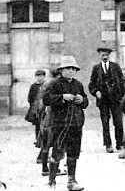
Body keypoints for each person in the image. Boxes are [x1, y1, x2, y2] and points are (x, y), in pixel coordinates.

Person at [43, 56, 88, 190]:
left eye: (73, 69)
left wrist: (82, 99)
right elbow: (46, 99)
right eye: (68, 68)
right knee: (57, 151)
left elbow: (86, 101)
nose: (70, 71)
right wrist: (62, 97)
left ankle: (71, 182)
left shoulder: (77, 84)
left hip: (76, 123)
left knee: (73, 153)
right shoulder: (54, 84)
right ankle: (52, 181)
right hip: (60, 124)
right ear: (61, 70)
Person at [87, 46, 125, 154]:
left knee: (118, 122)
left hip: (115, 99)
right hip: (103, 100)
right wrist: (96, 92)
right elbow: (91, 84)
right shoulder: (96, 68)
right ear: (99, 56)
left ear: (109, 56)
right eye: (102, 55)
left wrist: (122, 96)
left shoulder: (115, 67)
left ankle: (120, 144)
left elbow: (123, 82)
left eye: (106, 55)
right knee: (105, 122)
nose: (105, 57)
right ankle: (108, 144)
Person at [28, 69, 47, 146]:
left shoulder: (46, 85)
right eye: (38, 76)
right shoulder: (33, 86)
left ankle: (44, 139)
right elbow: (30, 97)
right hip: (36, 108)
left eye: (41, 76)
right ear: (36, 77)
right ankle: (37, 139)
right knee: (37, 124)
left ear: (44, 76)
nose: (40, 78)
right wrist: (33, 106)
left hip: (44, 107)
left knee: (45, 123)